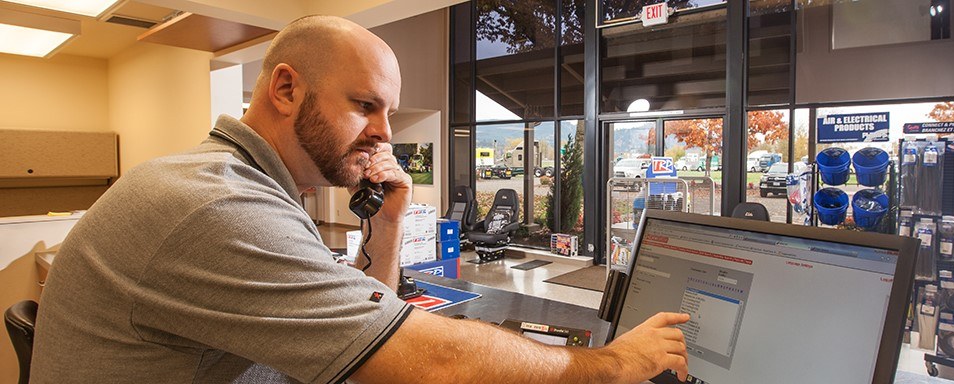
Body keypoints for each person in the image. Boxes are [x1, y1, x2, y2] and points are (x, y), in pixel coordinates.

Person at [31, 15, 689, 383]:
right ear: (285, 90)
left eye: (390, 112)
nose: (384, 132)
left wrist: (393, 218)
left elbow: (363, 320)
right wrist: (611, 364)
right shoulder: (217, 206)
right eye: (364, 105)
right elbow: (430, 360)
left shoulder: (244, 188)